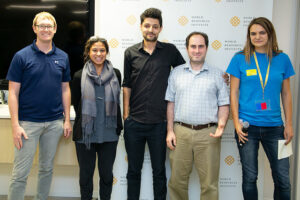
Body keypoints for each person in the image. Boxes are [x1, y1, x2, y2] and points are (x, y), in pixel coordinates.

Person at [226, 17, 294, 200]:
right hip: (247, 128)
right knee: (250, 178)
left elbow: (286, 94)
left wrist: (289, 125)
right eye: (253, 33)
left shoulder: (282, 59)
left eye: (262, 32)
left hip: (276, 128)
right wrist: (237, 124)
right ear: (249, 36)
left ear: (270, 33)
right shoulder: (240, 59)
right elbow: (233, 93)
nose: (257, 37)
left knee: (283, 179)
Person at [6, 12, 72, 200]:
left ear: (55, 29)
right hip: (27, 125)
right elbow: (13, 93)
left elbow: (65, 89)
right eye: (41, 26)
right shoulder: (21, 56)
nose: (45, 29)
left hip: (54, 123)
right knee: (20, 174)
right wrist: (15, 126)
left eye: (49, 26)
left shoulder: (63, 57)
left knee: (46, 169)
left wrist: (66, 120)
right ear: (34, 28)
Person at [122, 8, 185, 200]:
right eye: (147, 25)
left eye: (155, 27)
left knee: (159, 172)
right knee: (133, 170)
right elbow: (127, 85)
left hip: (159, 124)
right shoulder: (130, 52)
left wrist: (221, 77)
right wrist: (126, 115)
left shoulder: (170, 51)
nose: (151, 29)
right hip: (134, 123)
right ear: (141, 27)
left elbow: (186, 73)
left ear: (160, 29)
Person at [165, 32, 230, 200]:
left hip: (208, 134)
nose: (197, 50)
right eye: (193, 46)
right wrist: (170, 131)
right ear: (187, 49)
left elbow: (224, 103)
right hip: (181, 133)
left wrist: (221, 126)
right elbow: (170, 103)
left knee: (209, 183)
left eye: (201, 46)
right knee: (177, 182)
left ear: (206, 48)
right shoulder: (176, 73)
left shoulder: (218, 75)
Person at [71, 36, 122, 200]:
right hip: (86, 134)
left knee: (107, 176)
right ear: (88, 52)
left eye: (102, 50)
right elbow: (75, 103)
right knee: (86, 176)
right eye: (94, 50)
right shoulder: (79, 76)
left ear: (106, 52)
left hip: (109, 132)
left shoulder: (116, 74)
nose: (98, 53)